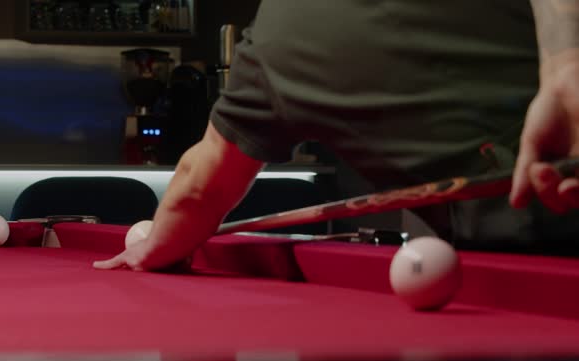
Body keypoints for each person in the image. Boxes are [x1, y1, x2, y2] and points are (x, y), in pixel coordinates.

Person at [95, 0, 579, 271]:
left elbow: (200, 183)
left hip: (539, 239)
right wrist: (566, 62)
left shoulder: (282, 33)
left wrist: (153, 248)